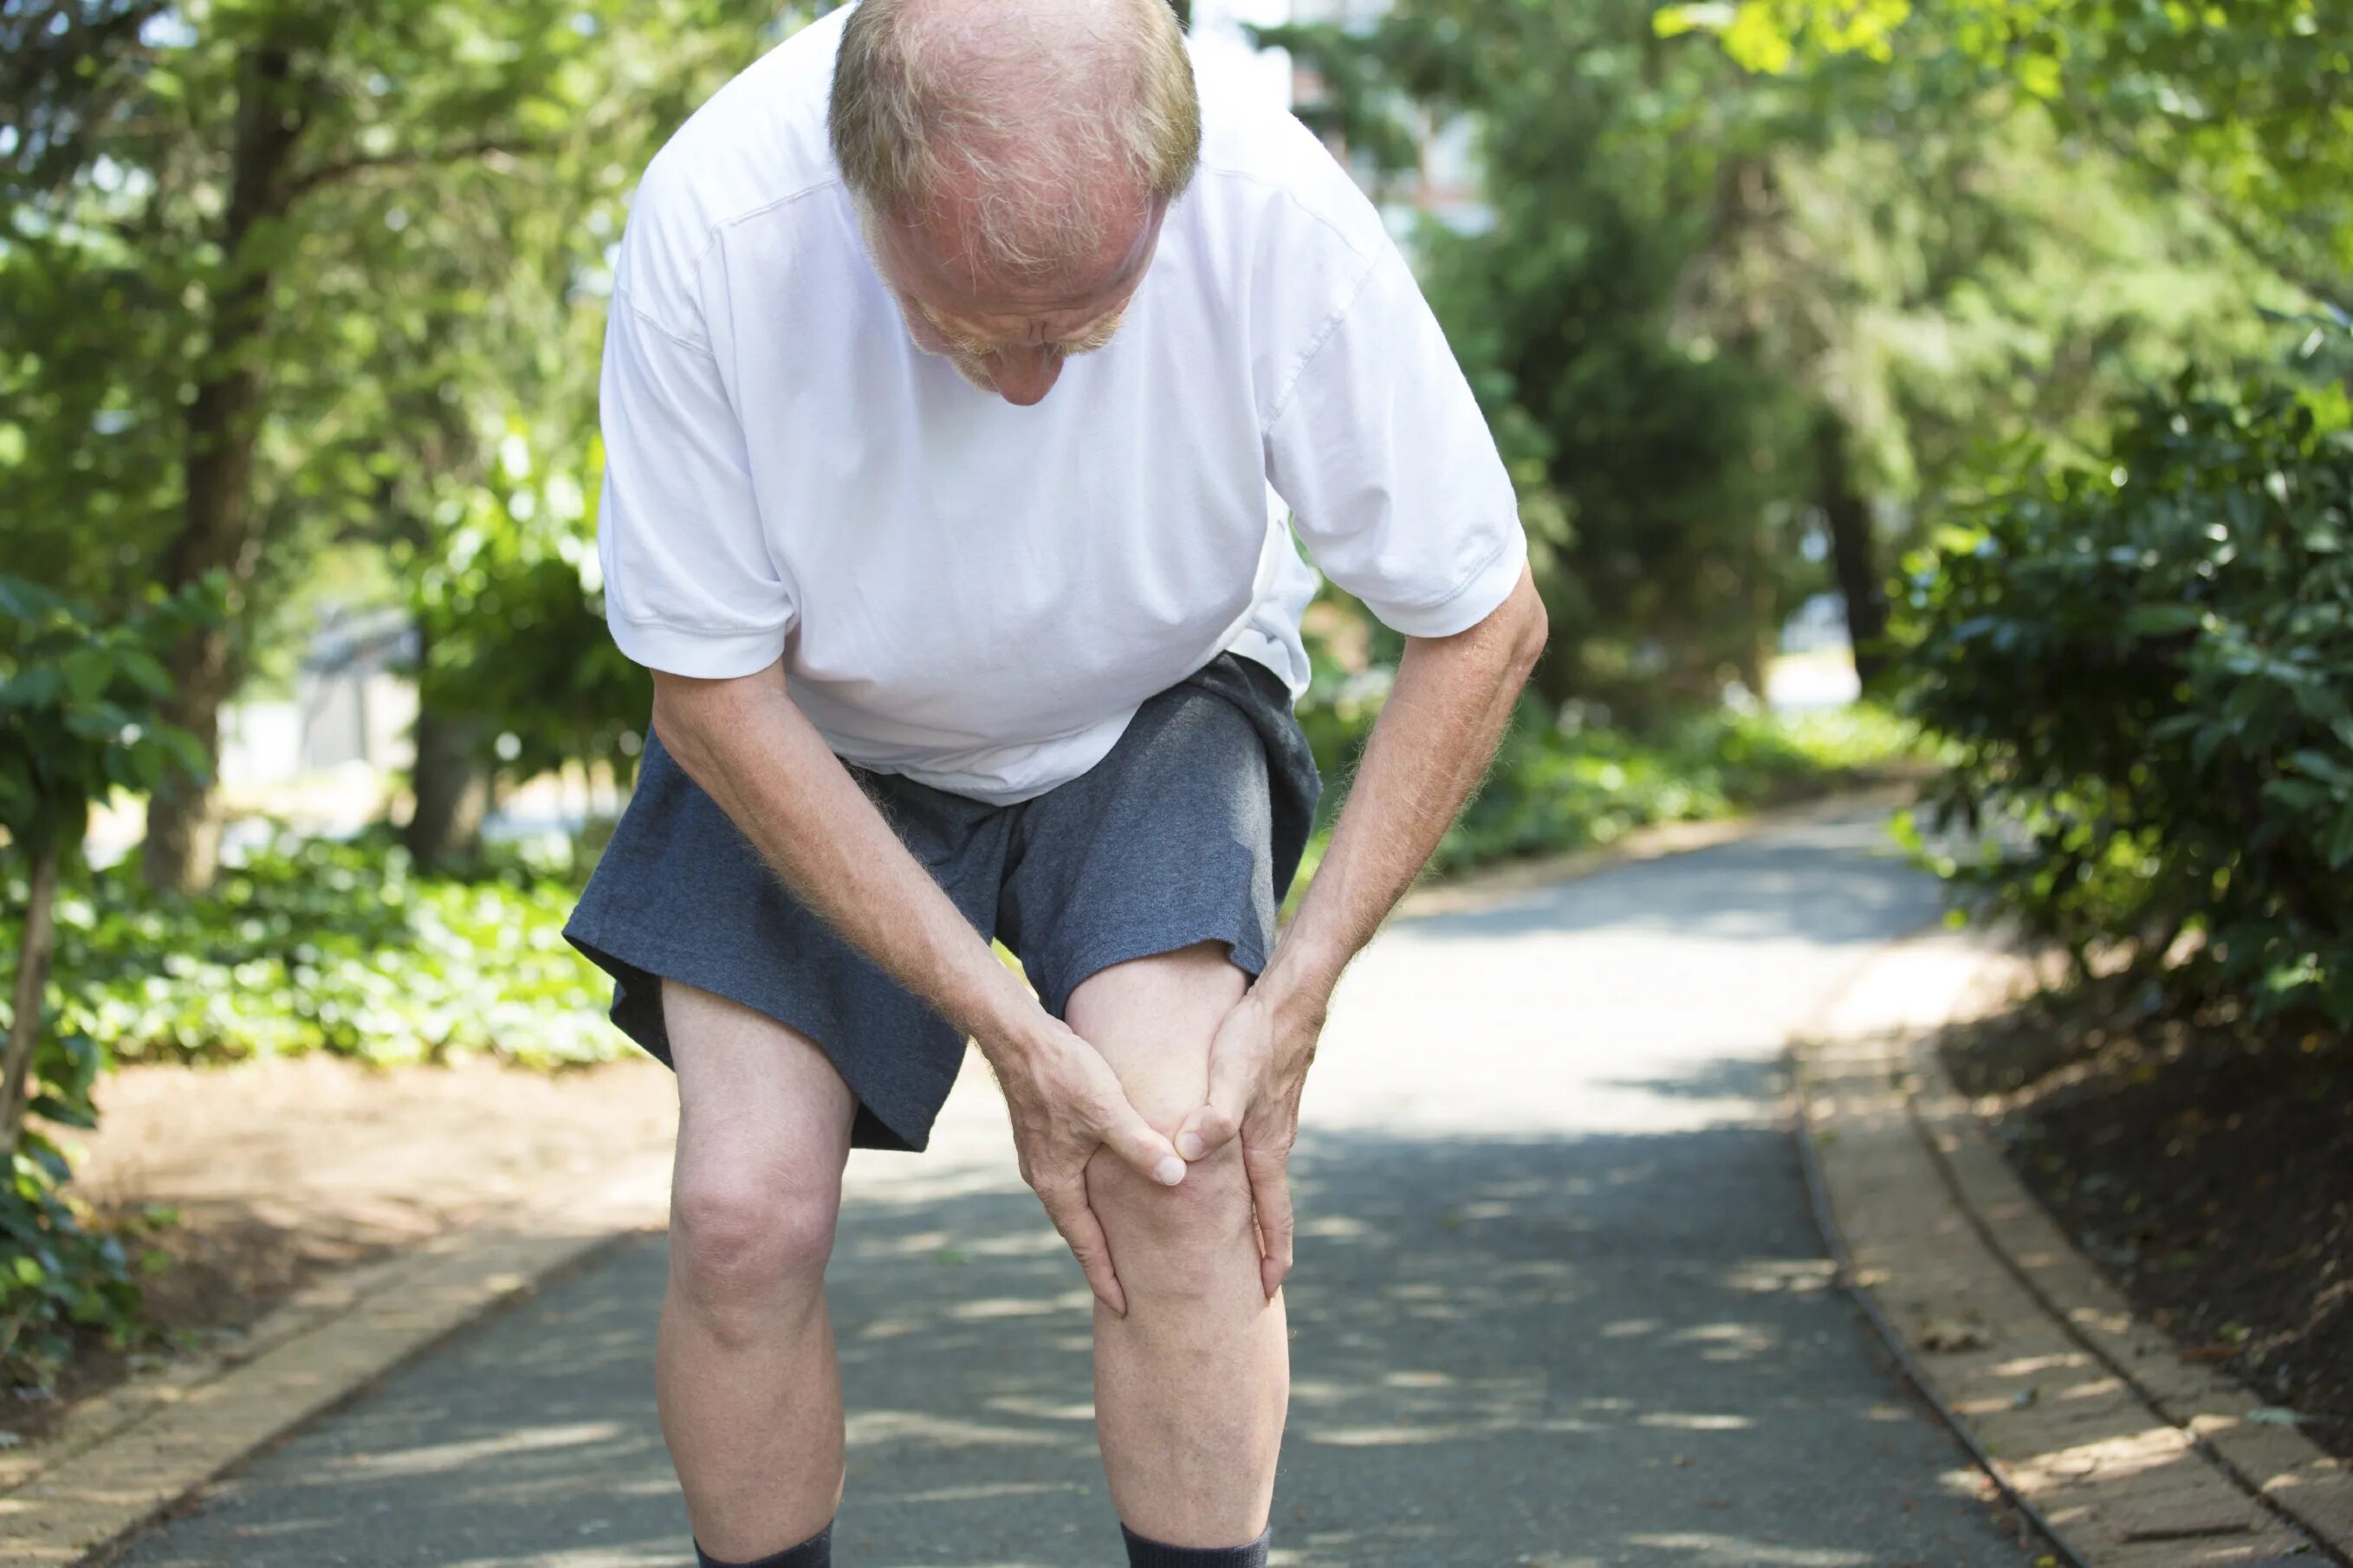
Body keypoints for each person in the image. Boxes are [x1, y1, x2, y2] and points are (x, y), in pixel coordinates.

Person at [561, 0, 1546, 1563]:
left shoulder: (1276, 211)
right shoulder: (719, 218)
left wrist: (1298, 991)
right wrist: (1006, 1030)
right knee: (744, 1218)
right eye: (964, 324)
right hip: (811, 732)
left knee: (1178, 1164)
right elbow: (711, 692)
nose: (1024, 389)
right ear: (859, 186)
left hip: (1154, 695)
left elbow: (1483, 615)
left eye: (1084, 327)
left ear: (1169, 181)